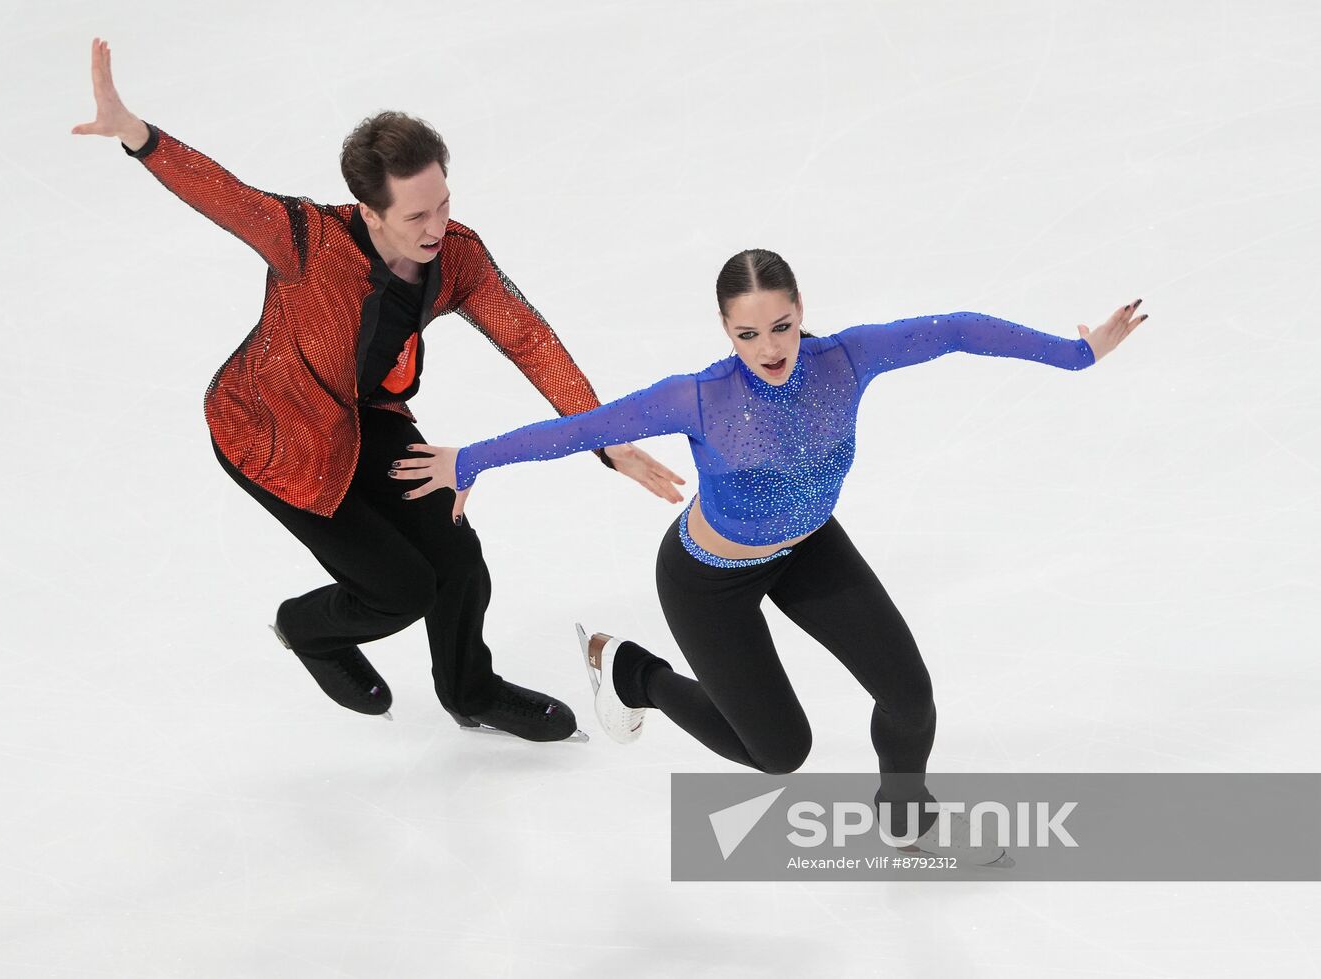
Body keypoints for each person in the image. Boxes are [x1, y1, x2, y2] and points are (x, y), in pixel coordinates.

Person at [391, 248, 1147, 861]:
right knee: (781, 752)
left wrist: (1076, 353)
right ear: (725, 330)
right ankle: (633, 672)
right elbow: (580, 428)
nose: (769, 348)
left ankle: (903, 811)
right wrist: (473, 459)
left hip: (808, 547)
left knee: (910, 697)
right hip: (707, 582)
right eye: (747, 335)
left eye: (781, 327)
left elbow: (955, 329)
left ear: (800, 313)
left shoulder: (847, 360)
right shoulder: (698, 396)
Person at [71, 38, 684, 742]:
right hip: (274, 435)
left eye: (443, 205)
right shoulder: (308, 241)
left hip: (369, 417)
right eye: (416, 216)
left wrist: (604, 439)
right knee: (398, 589)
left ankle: (469, 688)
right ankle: (308, 628)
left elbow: (529, 338)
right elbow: (226, 196)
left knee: (458, 557)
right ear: (368, 210)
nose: (437, 228)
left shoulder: (458, 256)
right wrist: (137, 136)